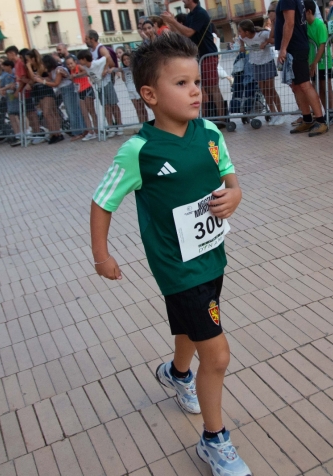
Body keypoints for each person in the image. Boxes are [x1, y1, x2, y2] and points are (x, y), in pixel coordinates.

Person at [90, 33, 251, 476]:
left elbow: (230, 180)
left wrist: (234, 197)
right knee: (216, 355)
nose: (196, 90)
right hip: (177, 269)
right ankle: (214, 442)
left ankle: (178, 375)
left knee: (189, 332)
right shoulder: (138, 152)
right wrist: (101, 255)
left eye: (195, 81)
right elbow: (102, 201)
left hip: (212, 255)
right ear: (150, 95)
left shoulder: (211, 132)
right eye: (181, 84)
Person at [161, 0, 226, 118]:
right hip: (198, 56)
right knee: (205, 88)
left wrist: (172, 21)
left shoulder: (200, 13)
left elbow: (189, 32)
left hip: (208, 54)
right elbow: (182, 33)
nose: (183, 1)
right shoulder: (190, 15)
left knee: (212, 87)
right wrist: (171, 23)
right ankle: (213, 116)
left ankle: (224, 117)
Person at [276, 0, 329, 135]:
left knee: (304, 84)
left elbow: (290, 22)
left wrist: (283, 48)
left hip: (294, 48)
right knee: (296, 85)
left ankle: (320, 121)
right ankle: (307, 119)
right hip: (295, 47)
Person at [237, 20, 284, 125]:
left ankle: (281, 114)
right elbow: (240, 39)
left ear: (247, 32)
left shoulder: (263, 34)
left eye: (240, 31)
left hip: (267, 62)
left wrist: (266, 42)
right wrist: (241, 46)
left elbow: (275, 40)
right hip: (255, 64)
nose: (239, 33)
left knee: (271, 89)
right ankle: (274, 114)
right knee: (264, 91)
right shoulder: (243, 37)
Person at [303, 0, 333, 124]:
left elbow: (322, 46)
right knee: (318, 88)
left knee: (326, 87)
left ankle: (332, 113)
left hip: (323, 62)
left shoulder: (319, 24)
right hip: (312, 62)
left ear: (309, 11)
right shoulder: (306, 25)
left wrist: (314, 63)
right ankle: (324, 112)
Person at [85, 31, 123, 135]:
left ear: (92, 39)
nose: (85, 41)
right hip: (99, 82)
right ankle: (110, 127)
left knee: (113, 104)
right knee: (106, 106)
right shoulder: (91, 51)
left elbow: (109, 59)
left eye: (87, 39)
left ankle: (119, 126)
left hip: (106, 81)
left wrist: (105, 69)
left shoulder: (100, 48)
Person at [35, 54, 66, 144]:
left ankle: (57, 133)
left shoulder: (57, 69)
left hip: (50, 91)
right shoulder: (51, 71)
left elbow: (55, 82)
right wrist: (41, 78)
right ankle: (56, 133)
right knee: (50, 114)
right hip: (51, 90)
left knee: (48, 113)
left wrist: (42, 81)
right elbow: (49, 79)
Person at [67, 55, 98, 141]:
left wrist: (76, 75)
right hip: (79, 91)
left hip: (87, 89)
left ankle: (97, 130)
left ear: (75, 62)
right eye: (68, 64)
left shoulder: (79, 67)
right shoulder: (71, 71)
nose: (70, 65)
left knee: (91, 111)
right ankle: (90, 132)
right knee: (84, 113)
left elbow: (86, 72)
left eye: (71, 63)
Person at [119, 53, 149, 124]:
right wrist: (122, 72)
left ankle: (146, 122)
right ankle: (141, 123)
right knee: (137, 108)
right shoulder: (124, 69)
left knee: (142, 107)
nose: (126, 61)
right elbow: (124, 80)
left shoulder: (135, 67)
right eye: (124, 60)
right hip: (130, 91)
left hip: (137, 89)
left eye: (127, 59)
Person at [0, 59, 21, 143]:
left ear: (9, 66)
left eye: (4, 66)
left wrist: (7, 87)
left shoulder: (15, 73)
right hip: (10, 96)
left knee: (20, 114)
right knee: (11, 114)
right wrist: (3, 89)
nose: (3, 67)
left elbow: (16, 83)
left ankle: (25, 131)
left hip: (18, 95)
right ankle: (17, 133)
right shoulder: (4, 76)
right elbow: (1, 87)